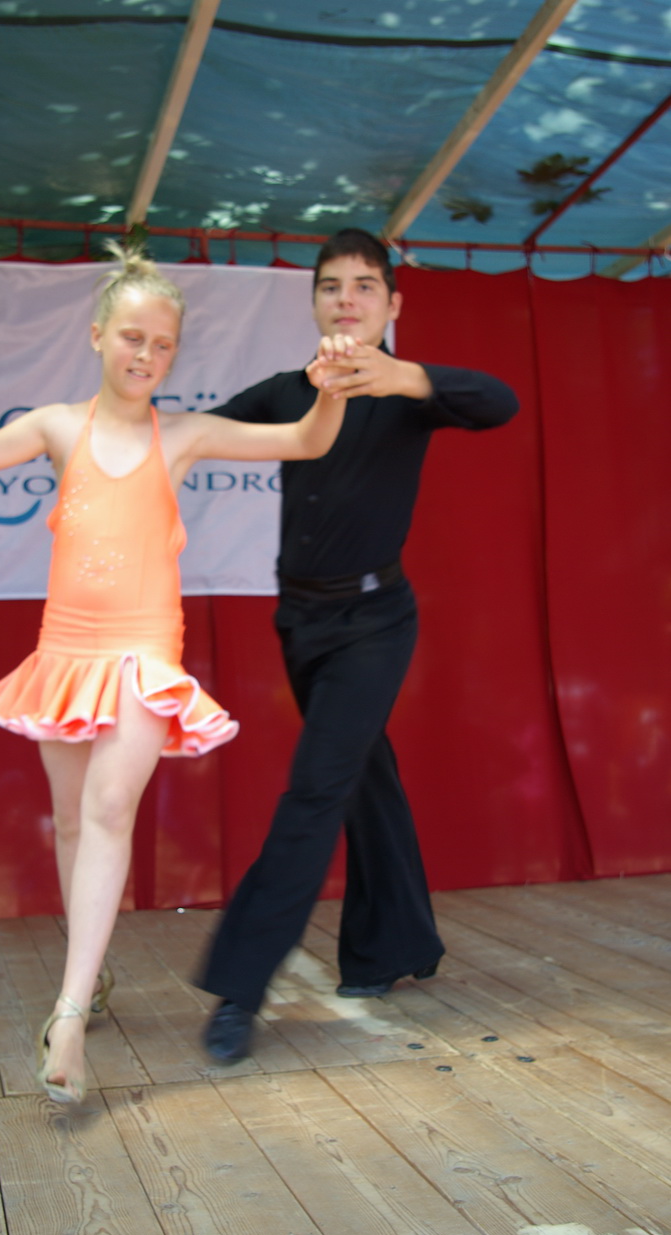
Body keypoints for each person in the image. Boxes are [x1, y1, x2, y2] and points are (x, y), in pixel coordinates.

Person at [0, 244, 354, 1103]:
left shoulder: (184, 435)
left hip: (144, 654)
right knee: (72, 822)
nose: (146, 355)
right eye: (133, 337)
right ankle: (90, 972)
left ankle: (66, 1016)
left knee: (107, 808)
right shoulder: (54, 428)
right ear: (98, 334)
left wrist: (329, 389)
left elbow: (303, 439)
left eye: (163, 344)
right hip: (66, 653)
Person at [198, 227, 520, 1062]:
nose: (346, 299)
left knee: (315, 790)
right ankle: (392, 947)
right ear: (314, 301)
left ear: (390, 303)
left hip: (374, 624)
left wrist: (408, 376)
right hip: (299, 621)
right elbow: (190, 434)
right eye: (331, 286)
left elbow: (500, 403)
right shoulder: (286, 393)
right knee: (362, 780)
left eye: (363, 286)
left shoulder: (410, 391)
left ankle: (239, 989)